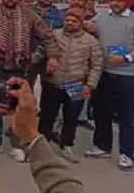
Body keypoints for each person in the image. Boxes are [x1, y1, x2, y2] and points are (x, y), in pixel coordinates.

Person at [0, 0, 61, 162]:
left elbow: (47, 36)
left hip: (20, 67)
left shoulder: (29, 16)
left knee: (18, 106)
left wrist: (53, 56)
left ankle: (16, 145)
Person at [38, 8, 102, 163]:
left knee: (71, 118)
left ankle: (67, 146)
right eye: (67, 20)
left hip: (76, 85)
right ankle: (42, 147)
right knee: (47, 117)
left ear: (81, 22)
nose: (70, 23)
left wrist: (90, 85)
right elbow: (41, 54)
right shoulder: (54, 35)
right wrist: (44, 67)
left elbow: (96, 66)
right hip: (53, 82)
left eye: (74, 21)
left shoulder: (91, 41)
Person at [85, 0, 134, 170]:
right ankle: (102, 146)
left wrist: (126, 58)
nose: (115, 3)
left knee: (127, 116)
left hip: (128, 75)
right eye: (112, 0)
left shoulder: (133, 20)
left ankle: (127, 153)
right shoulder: (102, 17)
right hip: (104, 72)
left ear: (127, 2)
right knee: (101, 111)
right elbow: (89, 26)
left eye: (119, 1)